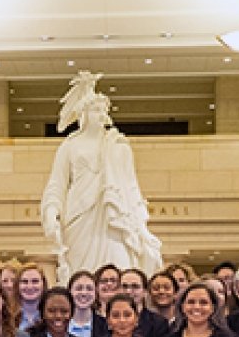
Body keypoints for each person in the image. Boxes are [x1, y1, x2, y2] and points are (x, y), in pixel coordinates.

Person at [40, 72, 162, 283]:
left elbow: (131, 186)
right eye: (95, 110)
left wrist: (139, 221)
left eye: (103, 110)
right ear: (83, 114)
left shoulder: (118, 145)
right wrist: (51, 211)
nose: (101, 114)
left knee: (119, 267)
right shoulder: (70, 146)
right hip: (79, 216)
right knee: (80, 275)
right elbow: (56, 184)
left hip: (113, 214)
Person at [120, 268, 170, 337]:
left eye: (135, 286)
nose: (128, 291)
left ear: (145, 291)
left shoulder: (158, 323)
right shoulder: (107, 321)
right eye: (124, 286)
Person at [68, 270, 105, 337]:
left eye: (89, 289)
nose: (84, 293)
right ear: (70, 292)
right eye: (78, 288)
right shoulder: (59, 325)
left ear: (96, 293)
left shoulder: (106, 326)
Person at [15, 264, 47, 331]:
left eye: (35, 281)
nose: (29, 287)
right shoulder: (7, 317)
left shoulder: (50, 315)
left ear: (43, 284)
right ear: (17, 285)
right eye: (24, 281)